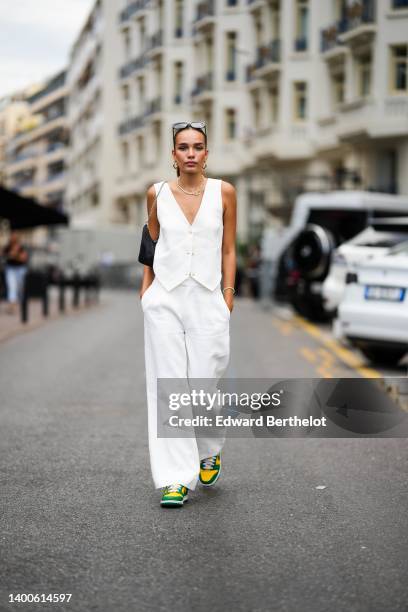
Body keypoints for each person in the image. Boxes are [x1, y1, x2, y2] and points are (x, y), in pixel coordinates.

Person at [140, 121, 237, 507]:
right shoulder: (157, 193)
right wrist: (146, 291)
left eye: (198, 146)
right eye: (184, 147)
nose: (191, 153)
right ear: (174, 154)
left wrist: (228, 295)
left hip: (209, 298)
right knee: (169, 387)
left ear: (207, 153)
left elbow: (229, 249)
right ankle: (176, 478)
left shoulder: (224, 192)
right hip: (164, 299)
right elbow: (150, 242)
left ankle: (209, 448)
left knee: (202, 383)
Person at [2, 231, 28, 315]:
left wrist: (16, 255)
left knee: (20, 287)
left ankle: (21, 304)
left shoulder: (21, 247)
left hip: (20, 269)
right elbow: (3, 254)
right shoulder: (7, 247)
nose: (13, 238)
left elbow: (24, 258)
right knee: (12, 286)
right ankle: (12, 306)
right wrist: (9, 254)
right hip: (10, 269)